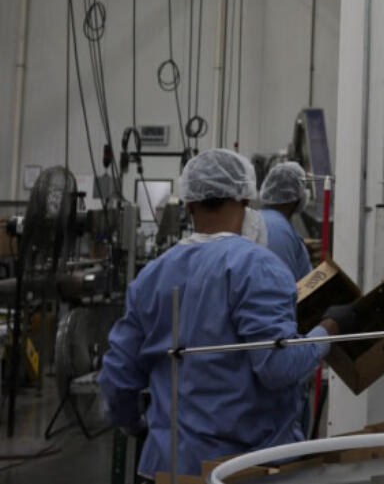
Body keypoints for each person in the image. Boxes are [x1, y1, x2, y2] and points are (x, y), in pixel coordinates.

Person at [99, 149, 360, 479]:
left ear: (189, 204)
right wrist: (328, 330)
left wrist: (136, 426)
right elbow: (279, 367)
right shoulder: (258, 267)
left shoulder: (151, 276)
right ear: (246, 201)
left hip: (165, 468)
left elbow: (117, 377)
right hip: (240, 468)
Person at [258, 161, 314, 280]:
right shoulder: (280, 230)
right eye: (303, 188)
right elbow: (285, 285)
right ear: (295, 195)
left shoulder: (256, 219)